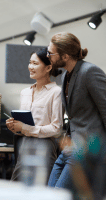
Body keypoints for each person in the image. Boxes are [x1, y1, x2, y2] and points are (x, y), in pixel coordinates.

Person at [47, 32, 106, 192]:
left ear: (65, 56)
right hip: (69, 148)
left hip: (87, 151)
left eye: (51, 53)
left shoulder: (90, 72)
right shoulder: (65, 75)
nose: (48, 56)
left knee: (59, 194)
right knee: (48, 194)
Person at [6, 47, 63, 183]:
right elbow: (24, 123)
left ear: (48, 67)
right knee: (17, 188)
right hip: (24, 145)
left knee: (40, 190)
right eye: (30, 62)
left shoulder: (56, 92)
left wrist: (25, 128)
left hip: (45, 147)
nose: (30, 67)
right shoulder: (24, 92)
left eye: (35, 63)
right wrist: (14, 126)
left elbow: (56, 128)